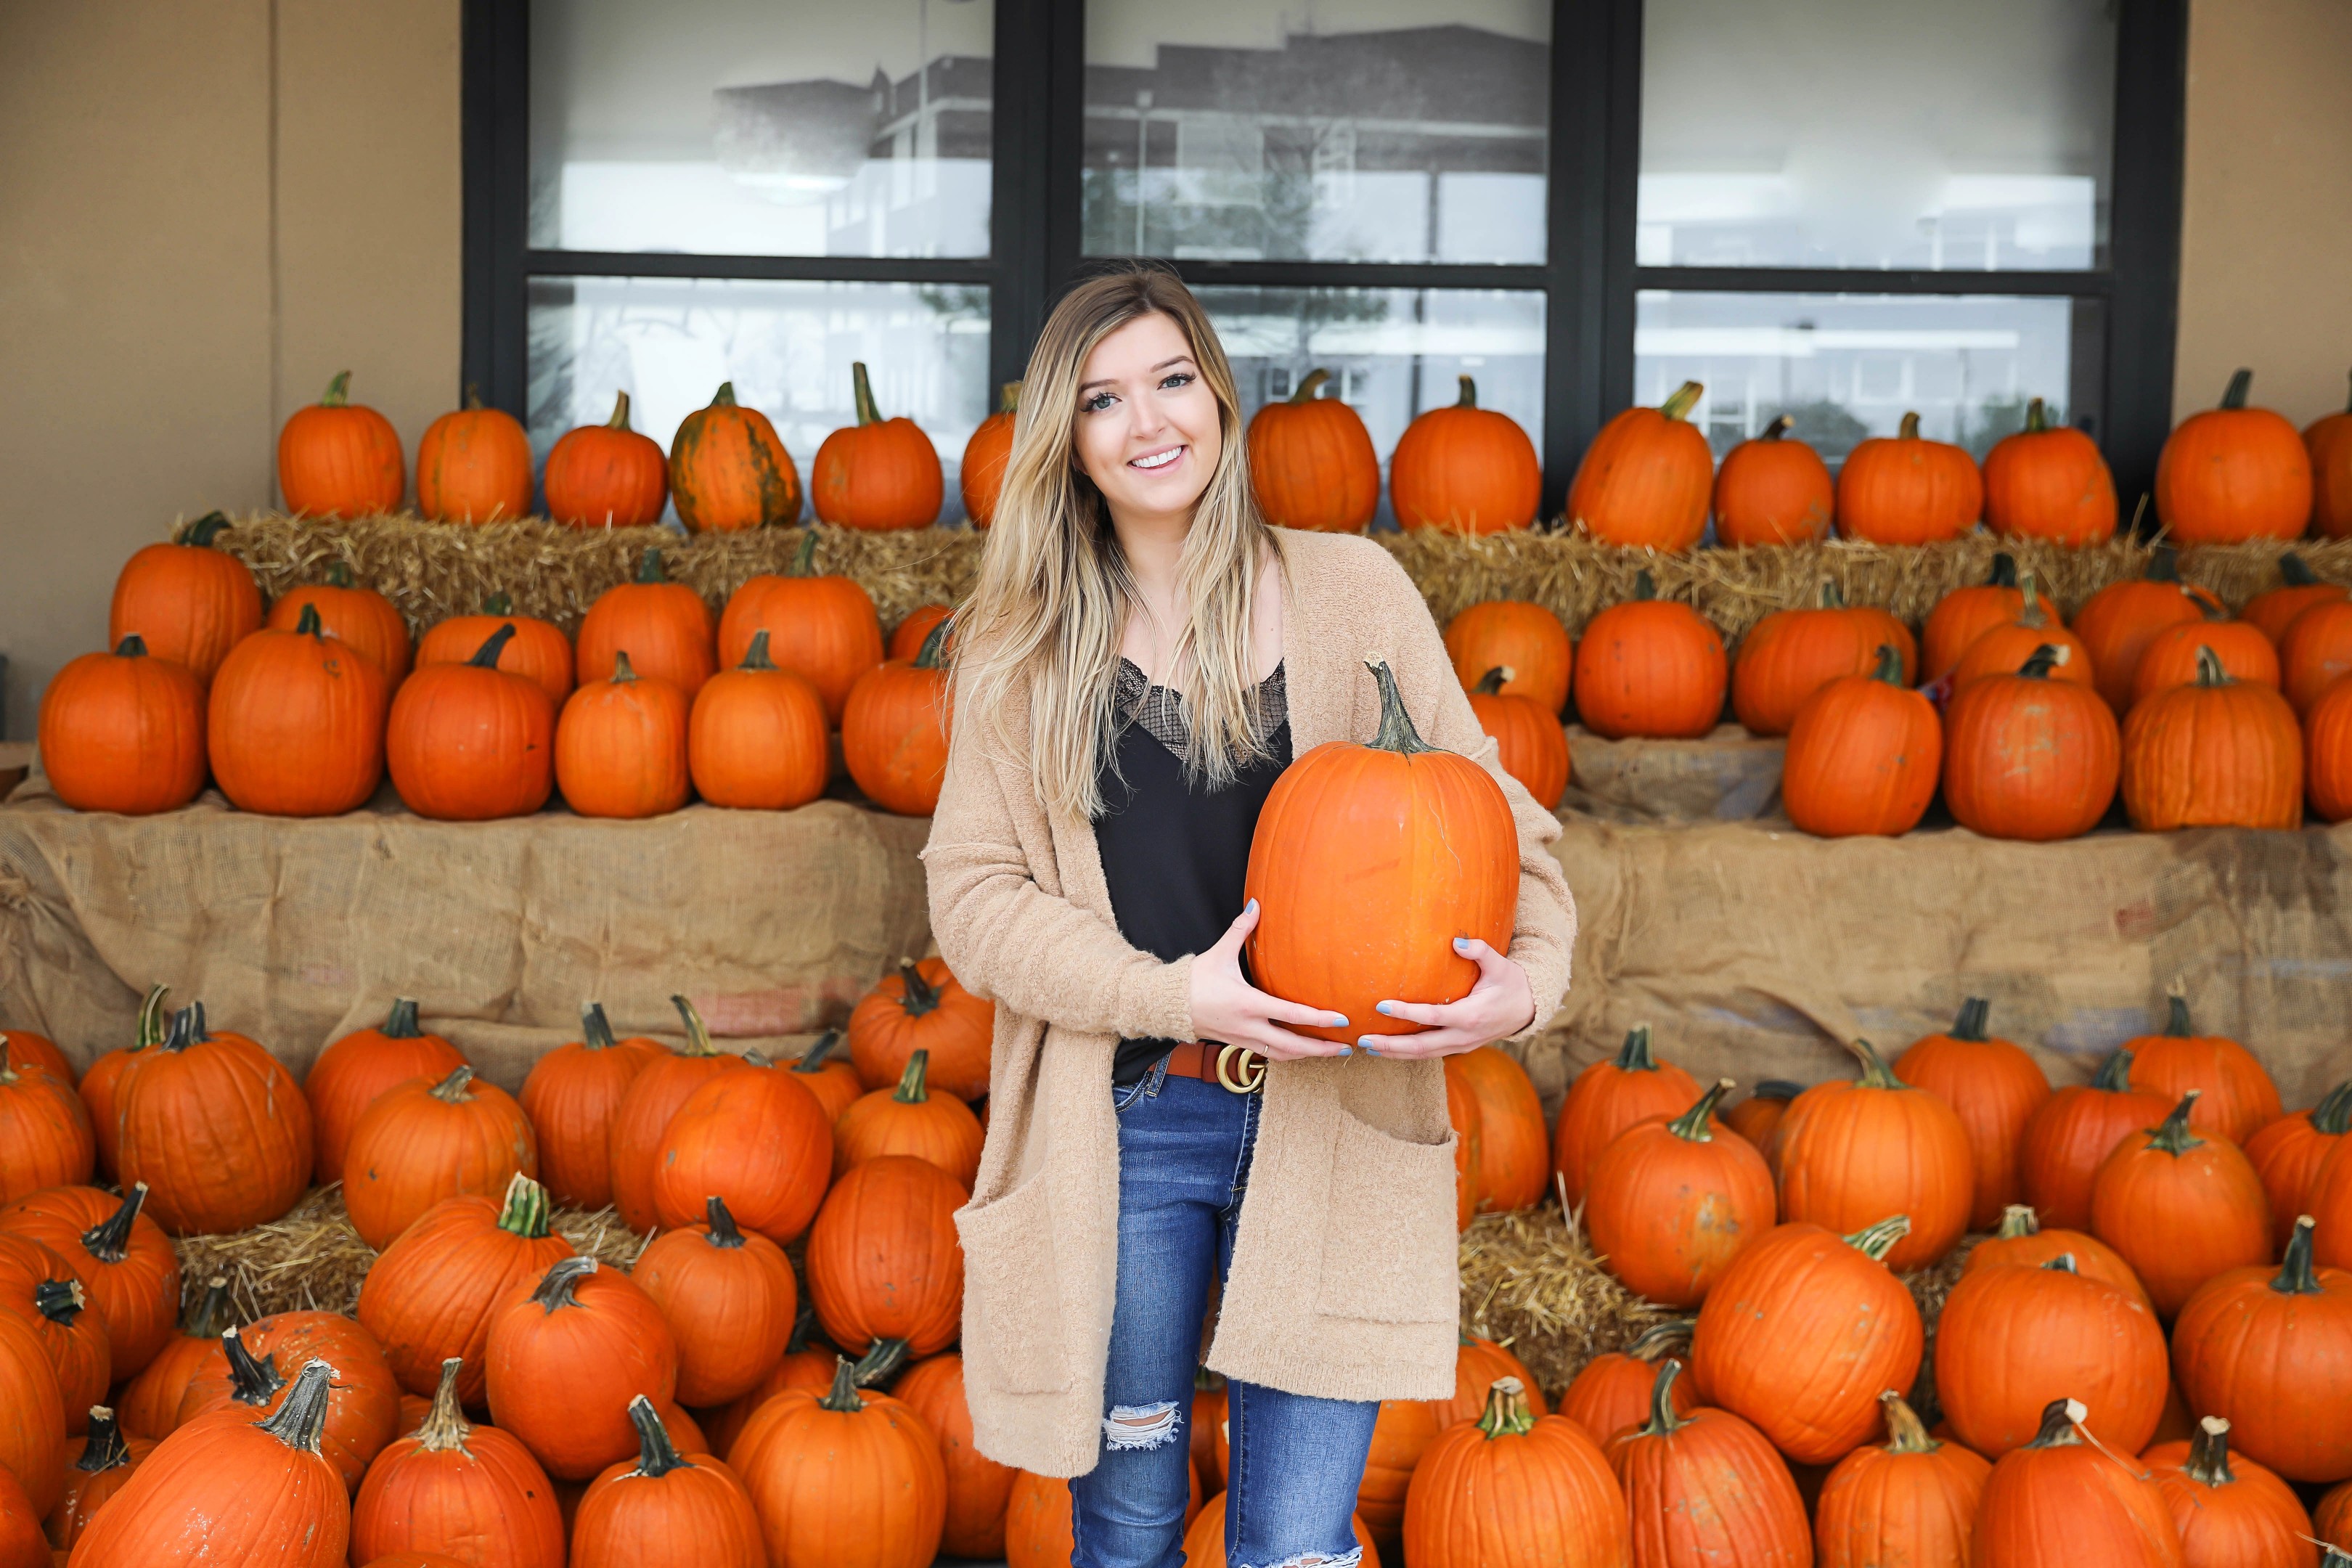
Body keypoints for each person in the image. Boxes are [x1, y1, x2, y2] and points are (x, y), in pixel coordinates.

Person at [924, 262, 1576, 1568]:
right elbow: (975, 899)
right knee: (1127, 1528)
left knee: (1294, 1543)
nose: (1149, 422)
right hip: (1129, 1133)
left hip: (1328, 1130)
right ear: (1070, 441)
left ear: (1220, 398)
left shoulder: (1354, 595)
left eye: (1173, 380)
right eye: (1105, 400)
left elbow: (1501, 820)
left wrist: (1527, 979)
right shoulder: (1018, 650)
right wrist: (1176, 996)